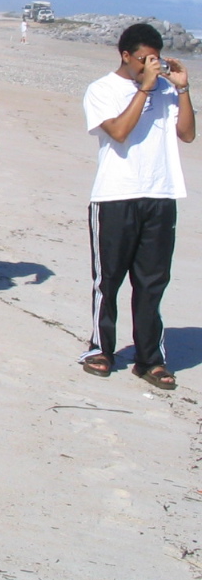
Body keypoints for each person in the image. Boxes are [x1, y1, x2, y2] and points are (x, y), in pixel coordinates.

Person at [79, 23, 193, 389]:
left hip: (160, 193)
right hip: (115, 194)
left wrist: (183, 88)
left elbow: (188, 133)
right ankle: (101, 348)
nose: (149, 66)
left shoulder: (165, 89)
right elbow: (119, 131)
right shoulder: (102, 89)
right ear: (125, 55)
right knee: (108, 279)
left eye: (154, 60)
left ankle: (150, 359)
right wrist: (144, 88)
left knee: (152, 282)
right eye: (143, 59)